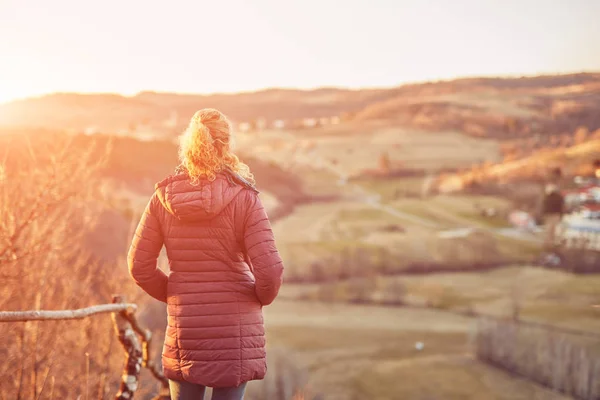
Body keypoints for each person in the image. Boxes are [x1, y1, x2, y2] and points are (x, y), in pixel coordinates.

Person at [127, 108, 284, 400]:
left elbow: (139, 266)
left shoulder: (162, 197)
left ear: (188, 144)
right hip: (234, 326)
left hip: (186, 326)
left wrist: (178, 292)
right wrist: (258, 297)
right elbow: (270, 272)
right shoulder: (245, 198)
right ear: (226, 145)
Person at [540, 167, 565, 249]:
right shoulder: (553, 189)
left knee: (551, 229)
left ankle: (549, 244)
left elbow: (559, 202)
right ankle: (547, 244)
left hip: (553, 212)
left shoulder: (555, 191)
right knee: (550, 229)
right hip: (552, 212)